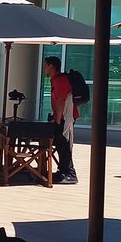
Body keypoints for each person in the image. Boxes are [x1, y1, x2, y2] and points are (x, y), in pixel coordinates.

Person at [43, 56, 78, 184]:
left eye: (45, 65)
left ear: (51, 66)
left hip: (65, 118)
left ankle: (70, 173)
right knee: (60, 144)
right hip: (62, 117)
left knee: (64, 144)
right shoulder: (55, 80)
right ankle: (62, 171)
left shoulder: (60, 80)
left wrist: (57, 120)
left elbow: (61, 100)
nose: (44, 68)